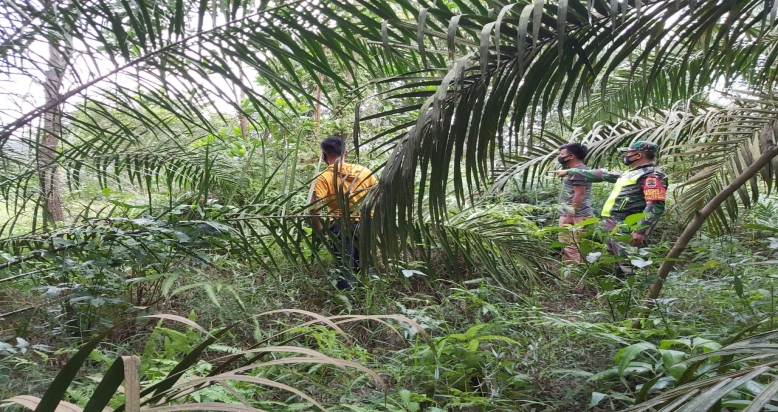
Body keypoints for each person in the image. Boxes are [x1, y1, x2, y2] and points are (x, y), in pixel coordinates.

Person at [549, 141, 668, 276]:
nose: (626, 155)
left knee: (631, 263)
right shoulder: (632, 173)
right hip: (616, 225)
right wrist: (570, 171)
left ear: (638, 155)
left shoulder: (651, 176)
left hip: (629, 227)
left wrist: (641, 230)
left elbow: (655, 204)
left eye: (628, 152)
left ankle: (638, 293)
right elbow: (603, 174)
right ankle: (621, 292)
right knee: (620, 261)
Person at [310, 136, 377, 290]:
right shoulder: (365, 172)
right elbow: (377, 197)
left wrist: (321, 232)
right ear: (346, 153)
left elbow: (314, 208)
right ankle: (370, 295)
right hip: (367, 224)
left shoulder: (321, 178)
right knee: (365, 262)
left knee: (344, 267)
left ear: (323, 154)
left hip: (341, 226)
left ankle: (348, 301)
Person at [555, 143, 594, 264]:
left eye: (562, 154)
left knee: (570, 247)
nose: (560, 157)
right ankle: (579, 276)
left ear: (571, 156)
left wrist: (569, 215)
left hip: (575, 215)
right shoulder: (578, 170)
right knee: (577, 247)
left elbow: (579, 194)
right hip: (581, 214)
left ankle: (572, 280)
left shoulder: (578, 172)